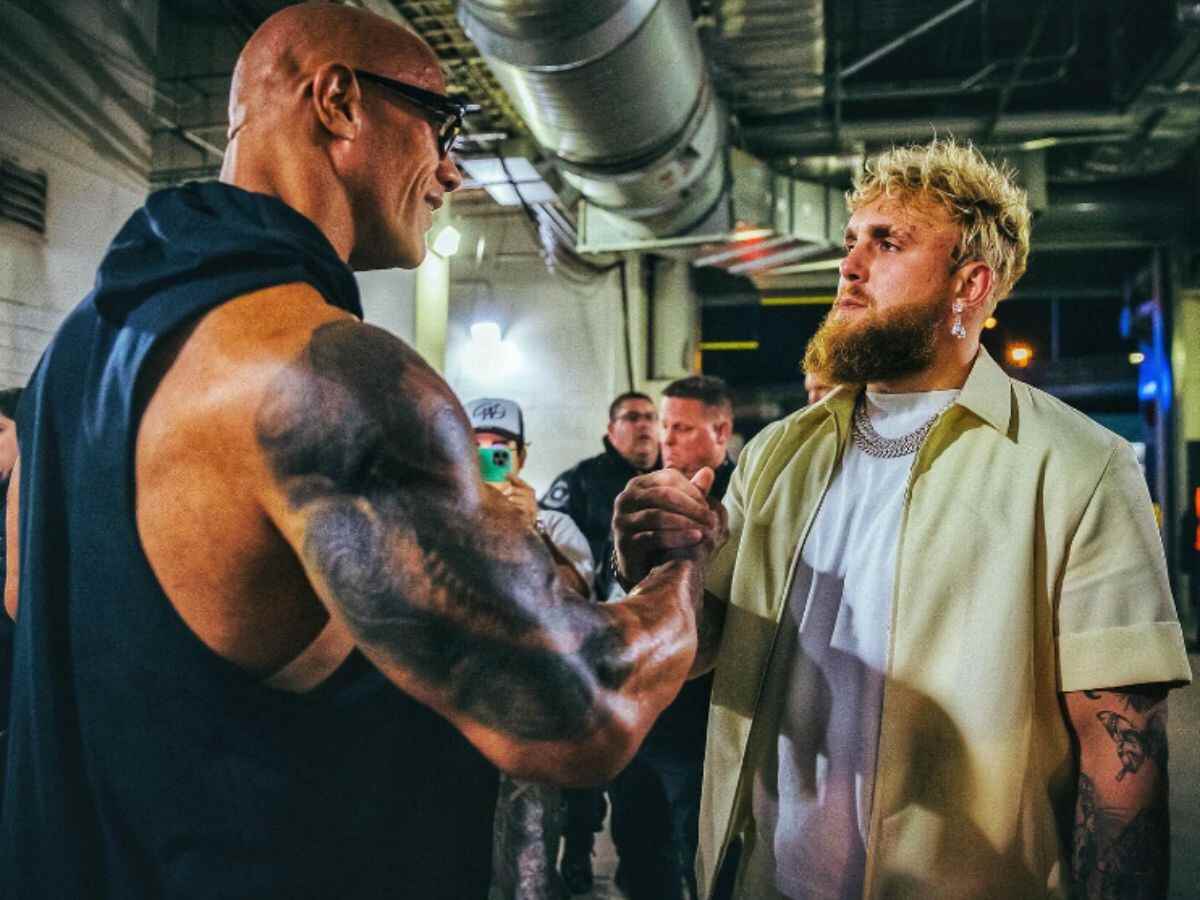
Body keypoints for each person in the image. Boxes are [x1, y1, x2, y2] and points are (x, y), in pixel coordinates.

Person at [0, 6, 720, 898]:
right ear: (338, 101)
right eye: (441, 122)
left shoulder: (72, 354)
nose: (452, 169)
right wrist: (678, 572)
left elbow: (31, 596)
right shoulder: (330, 376)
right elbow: (581, 711)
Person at [614, 137, 1192, 899]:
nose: (849, 266)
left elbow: (1121, 754)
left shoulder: (1080, 466)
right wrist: (658, 566)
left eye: (887, 243)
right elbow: (702, 651)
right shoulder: (778, 456)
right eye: (852, 242)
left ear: (970, 283)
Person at [610, 376, 736, 900]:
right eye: (664, 425)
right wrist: (625, 552)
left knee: (702, 859)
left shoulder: (743, 497)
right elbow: (613, 579)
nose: (667, 437)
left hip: (703, 724)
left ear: (721, 430)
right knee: (639, 859)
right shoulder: (645, 492)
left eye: (681, 427)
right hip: (641, 719)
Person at [467, 396, 594, 900]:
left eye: (501, 449)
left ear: (521, 457)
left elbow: (577, 602)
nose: (488, 458)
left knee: (529, 851)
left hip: (530, 711)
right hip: (458, 710)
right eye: (476, 449)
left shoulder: (555, 525)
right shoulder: (441, 521)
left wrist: (531, 531)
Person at [539, 390, 662, 893]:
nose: (645, 427)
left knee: (644, 766)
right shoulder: (581, 481)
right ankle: (580, 847)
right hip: (588, 642)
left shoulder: (668, 479)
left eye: (650, 417)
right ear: (611, 430)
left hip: (649, 647)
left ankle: (645, 864)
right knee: (586, 756)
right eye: (632, 418)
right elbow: (550, 547)